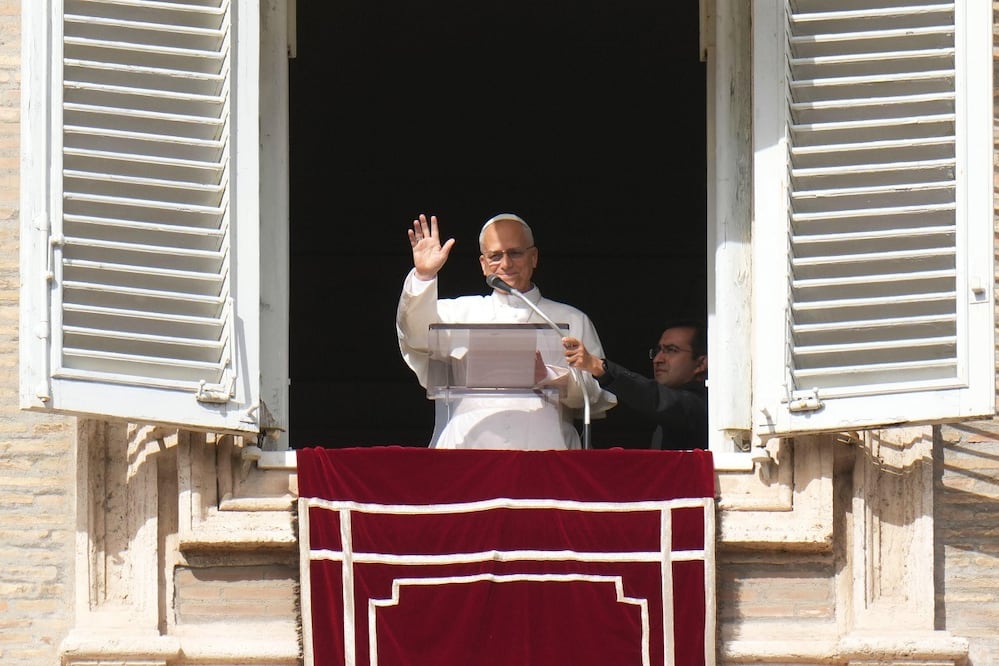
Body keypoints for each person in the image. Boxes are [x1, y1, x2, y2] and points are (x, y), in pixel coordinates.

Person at [397, 212, 616, 450]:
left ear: (534, 257)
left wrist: (550, 377)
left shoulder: (570, 319)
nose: (506, 264)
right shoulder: (457, 313)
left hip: (546, 451)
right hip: (469, 449)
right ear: (483, 264)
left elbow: (596, 396)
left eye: (515, 253)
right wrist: (424, 276)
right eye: (495, 256)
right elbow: (415, 337)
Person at [562, 320, 708, 450]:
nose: (658, 359)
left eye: (671, 350)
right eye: (657, 351)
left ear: (701, 363)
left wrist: (598, 367)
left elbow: (656, 397)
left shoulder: (705, 406)